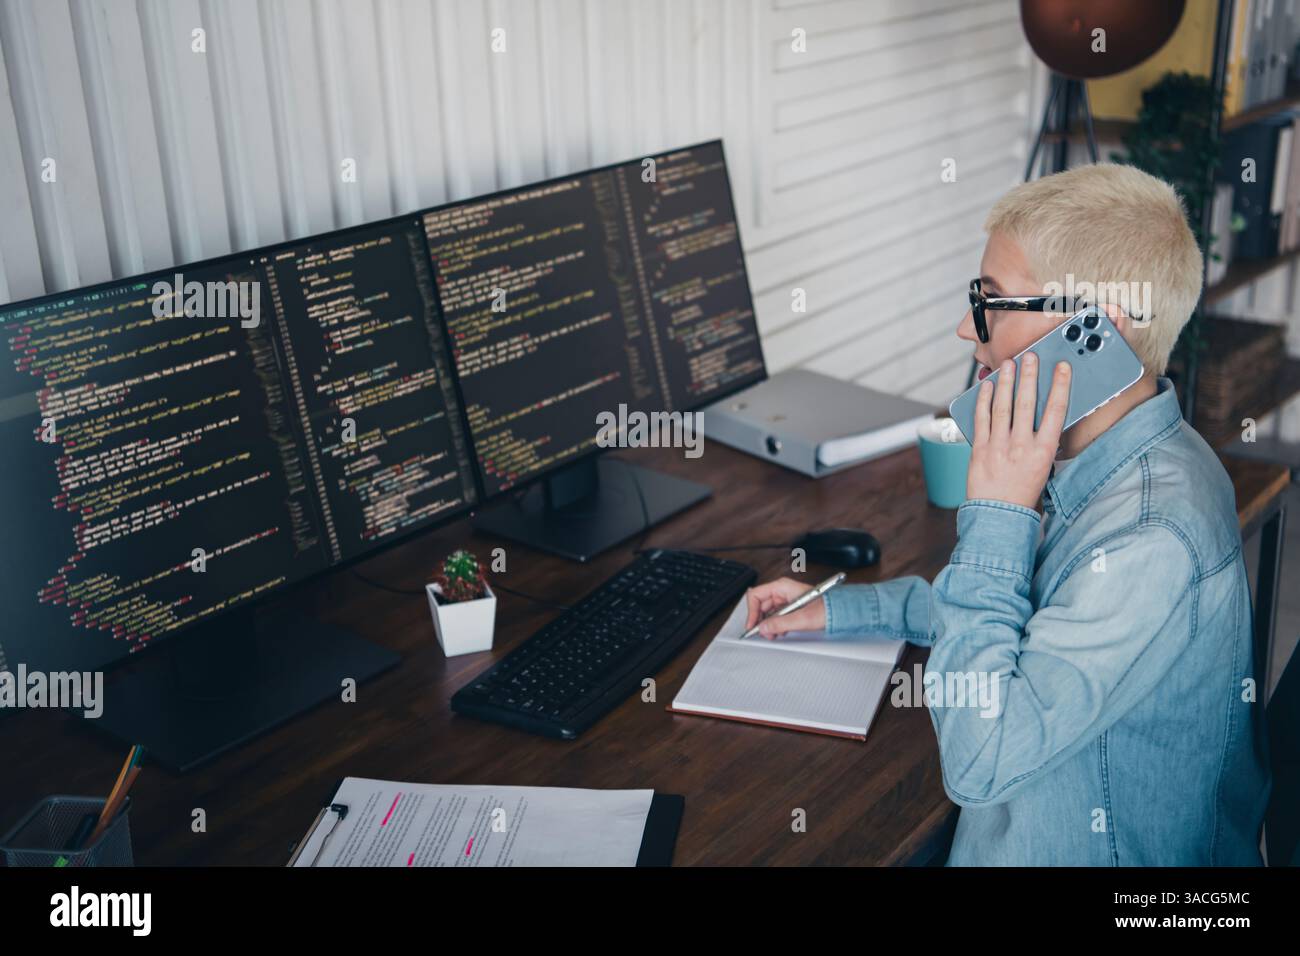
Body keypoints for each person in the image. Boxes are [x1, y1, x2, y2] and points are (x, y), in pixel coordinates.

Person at [745, 164, 1270, 865]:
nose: (967, 328)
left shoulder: (1151, 537)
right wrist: (850, 612)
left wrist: (996, 509)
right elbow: (1034, 612)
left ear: (1096, 331)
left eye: (991, 301)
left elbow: (980, 765)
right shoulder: (1123, 454)